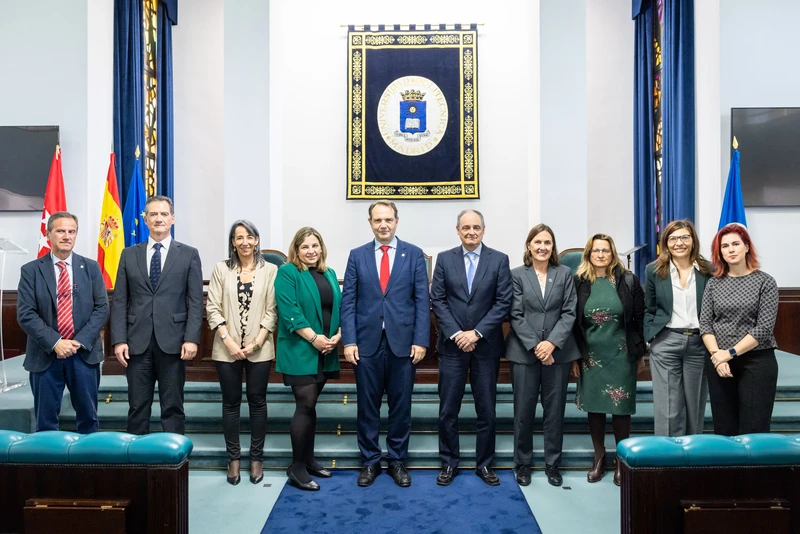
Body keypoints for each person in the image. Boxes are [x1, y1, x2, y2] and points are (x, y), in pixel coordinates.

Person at [341, 200, 430, 488]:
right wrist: (349, 341)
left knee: (400, 406)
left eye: (388, 220)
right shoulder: (357, 256)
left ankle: (397, 461)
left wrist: (420, 340)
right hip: (365, 343)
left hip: (403, 344)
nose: (383, 225)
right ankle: (370, 462)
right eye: (378, 220)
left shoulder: (414, 255)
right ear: (370, 223)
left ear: (396, 221)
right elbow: (349, 302)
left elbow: (421, 302)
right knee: (367, 407)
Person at [430, 210, 512, 487]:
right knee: (448, 410)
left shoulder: (499, 260)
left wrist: (476, 333)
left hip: (485, 347)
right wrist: (457, 334)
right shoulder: (444, 259)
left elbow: (503, 302)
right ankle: (449, 463)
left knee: (486, 409)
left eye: (476, 227)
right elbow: (438, 300)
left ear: (484, 230)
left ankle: (485, 465)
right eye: (466, 227)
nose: (471, 232)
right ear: (457, 230)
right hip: (452, 348)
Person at [110, 195, 203, 435]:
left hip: (173, 343)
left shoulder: (189, 254)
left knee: (172, 406)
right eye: (153, 214)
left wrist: (191, 338)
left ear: (172, 219)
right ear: (145, 219)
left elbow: (195, 301)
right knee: (137, 407)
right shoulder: (128, 254)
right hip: (136, 343)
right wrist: (119, 340)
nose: (158, 219)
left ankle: (174, 464)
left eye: (163, 214)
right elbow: (120, 301)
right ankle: (136, 464)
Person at [17, 212, 109, 433]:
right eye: (60, 231)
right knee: (46, 423)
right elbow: (26, 314)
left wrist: (78, 342)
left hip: (83, 355)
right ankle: (49, 467)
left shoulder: (91, 268)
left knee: (88, 420)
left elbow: (102, 309)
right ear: (48, 235)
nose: (66, 236)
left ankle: (88, 465)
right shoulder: (31, 271)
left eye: (71, 231)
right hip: (46, 355)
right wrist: (56, 342)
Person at [505, 224, 579, 487]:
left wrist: (552, 345)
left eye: (547, 242)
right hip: (524, 354)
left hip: (558, 354)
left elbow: (570, 312)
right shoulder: (516, 275)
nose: (542, 247)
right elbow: (514, 313)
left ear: (553, 246)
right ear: (529, 246)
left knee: (554, 412)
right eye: (537, 242)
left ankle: (552, 463)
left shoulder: (565, 273)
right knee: (523, 412)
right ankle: (523, 463)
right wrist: (538, 346)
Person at [206, 220, 277, 486]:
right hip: (227, 348)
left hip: (260, 347)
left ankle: (256, 458)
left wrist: (257, 342)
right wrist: (228, 340)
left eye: (249, 236)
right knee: (231, 402)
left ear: (257, 240)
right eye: (239, 238)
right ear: (232, 242)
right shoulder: (220, 269)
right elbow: (212, 307)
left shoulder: (271, 270)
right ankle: (233, 458)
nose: (244, 242)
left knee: (258, 402)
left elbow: (273, 309)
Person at [572, 233, 645, 486]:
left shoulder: (627, 280)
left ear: (613, 253)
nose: (600, 255)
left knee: (621, 409)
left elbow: (638, 318)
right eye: (595, 251)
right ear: (588, 255)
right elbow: (573, 322)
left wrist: (639, 353)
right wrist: (575, 357)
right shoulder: (579, 281)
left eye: (605, 250)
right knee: (595, 406)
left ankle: (620, 461)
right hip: (590, 356)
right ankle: (599, 456)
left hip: (622, 354)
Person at [275, 227, 342, 491]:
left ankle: (309, 459)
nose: (311, 251)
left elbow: (337, 307)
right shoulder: (288, 272)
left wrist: (337, 335)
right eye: (305, 247)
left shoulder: (330, 273)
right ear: (296, 249)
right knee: (305, 404)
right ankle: (297, 467)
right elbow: (289, 310)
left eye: (315, 245)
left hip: (325, 350)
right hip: (300, 349)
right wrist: (314, 338)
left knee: (311, 406)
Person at [700, 224, 779, 436]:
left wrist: (730, 353)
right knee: (725, 429)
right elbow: (705, 325)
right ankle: (730, 471)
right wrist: (718, 356)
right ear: (720, 252)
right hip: (720, 363)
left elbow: (763, 329)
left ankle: (754, 471)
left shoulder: (765, 282)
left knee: (754, 429)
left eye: (736, 244)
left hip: (757, 361)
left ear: (746, 247)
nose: (731, 249)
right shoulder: (714, 284)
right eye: (725, 246)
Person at [644, 220, 711, 437]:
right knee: (668, 408)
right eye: (673, 238)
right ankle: (668, 460)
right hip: (666, 341)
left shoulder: (709, 270)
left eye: (684, 237)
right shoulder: (654, 270)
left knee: (695, 405)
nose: (678, 242)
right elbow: (649, 308)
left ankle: (691, 460)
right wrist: (650, 337)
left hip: (700, 343)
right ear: (666, 243)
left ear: (693, 241)